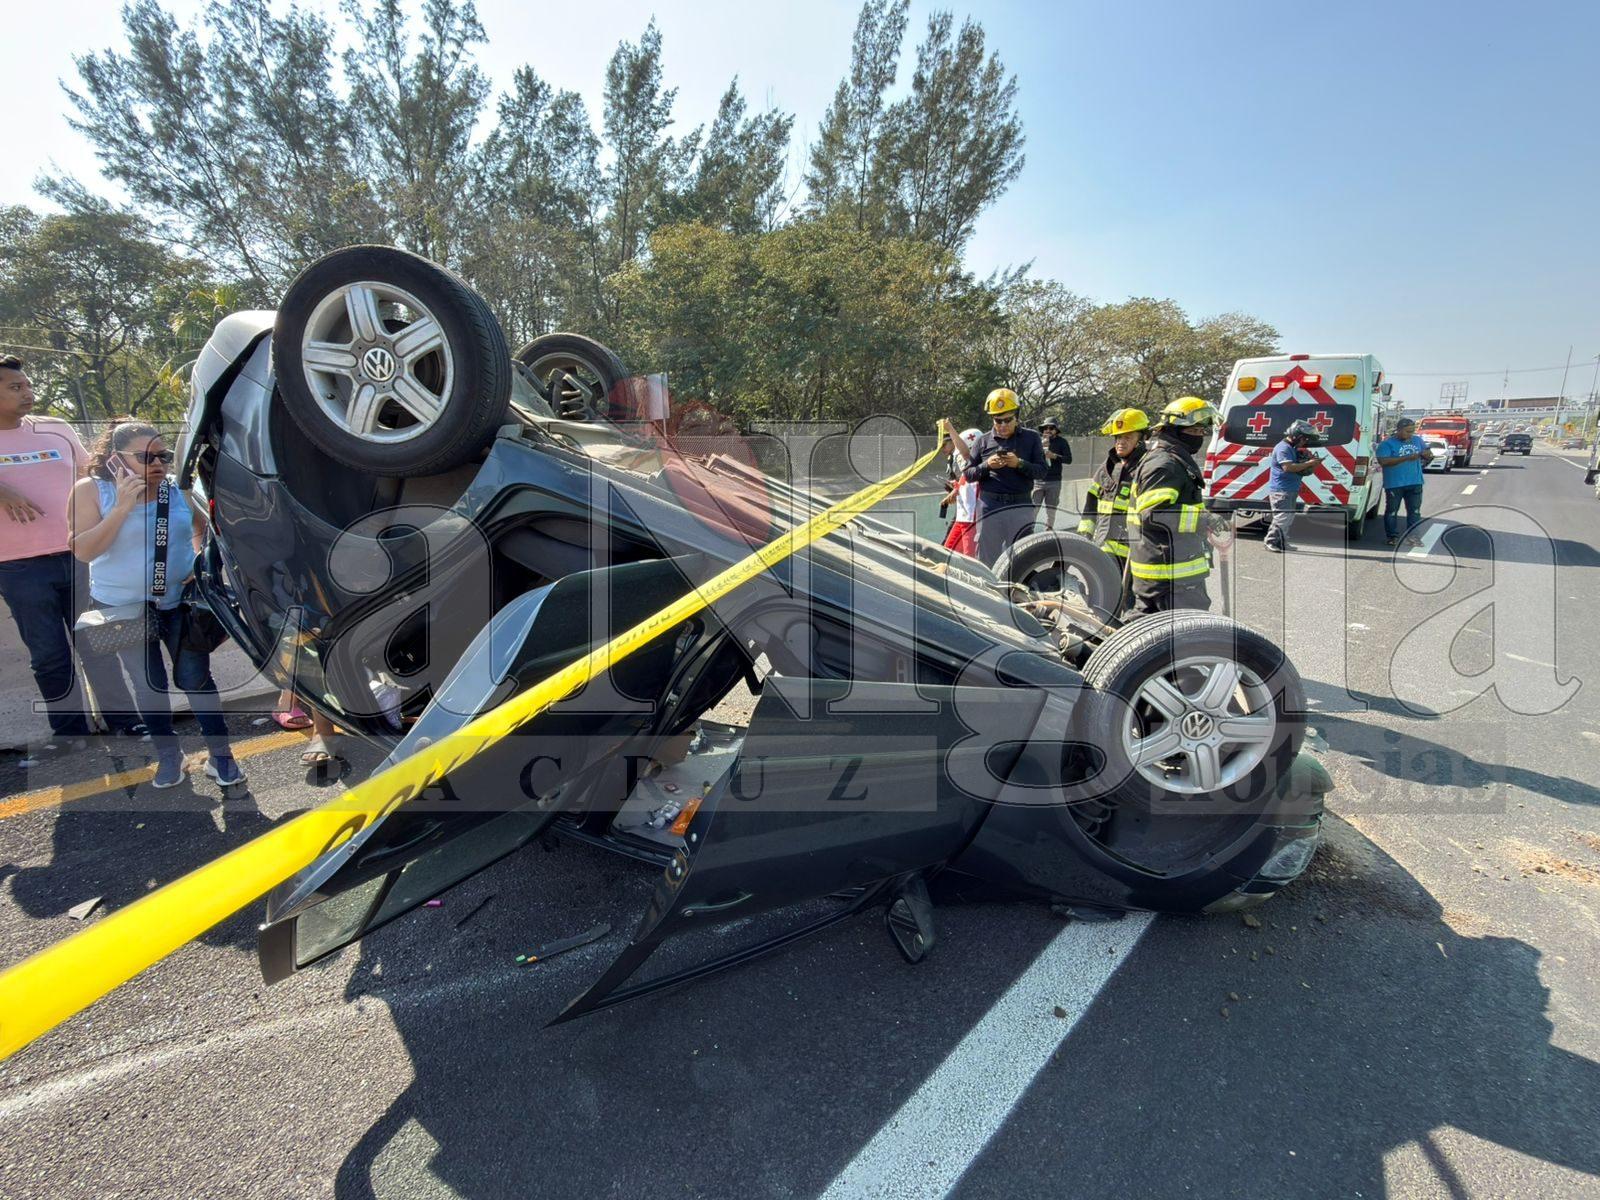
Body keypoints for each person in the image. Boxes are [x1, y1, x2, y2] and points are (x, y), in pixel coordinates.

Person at [68, 420, 244, 789]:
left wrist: (199, 563)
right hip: (122, 608)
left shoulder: (176, 490)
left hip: (180, 604)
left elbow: (205, 530)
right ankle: (169, 756)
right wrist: (122, 506)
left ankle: (222, 757)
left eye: (162, 455)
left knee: (196, 680)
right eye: (145, 457)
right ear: (117, 461)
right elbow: (83, 550)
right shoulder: (90, 491)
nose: (158, 463)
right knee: (148, 685)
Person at [0, 354, 140, 758]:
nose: (28, 393)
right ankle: (71, 734)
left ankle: (126, 723)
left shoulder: (55, 430)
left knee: (98, 645)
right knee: (49, 655)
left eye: (26, 385)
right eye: (15, 387)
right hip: (19, 567)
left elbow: (93, 475)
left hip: (80, 554)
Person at [1127, 396, 1218, 615]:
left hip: (1168, 570)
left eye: (1201, 432)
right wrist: (1204, 519)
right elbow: (1154, 514)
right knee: (1182, 636)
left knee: (1149, 634)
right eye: (1193, 431)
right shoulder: (1165, 464)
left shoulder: (1171, 458)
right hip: (1169, 575)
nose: (1199, 437)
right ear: (1175, 429)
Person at [964, 388, 1046, 566]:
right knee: (987, 557)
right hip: (990, 507)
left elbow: (1042, 471)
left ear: (1017, 416)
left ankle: (1016, 592)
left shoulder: (1031, 438)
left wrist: (1019, 464)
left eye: (1008, 420)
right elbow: (968, 475)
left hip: (1020, 507)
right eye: (997, 420)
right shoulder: (982, 441)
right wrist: (987, 466)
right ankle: (985, 591)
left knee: (1021, 558)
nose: (1002, 425)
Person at [1077, 408, 1148, 609]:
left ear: (1141, 439)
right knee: (1102, 598)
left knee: (1128, 603)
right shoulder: (1107, 467)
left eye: (1127, 437)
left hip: (1133, 552)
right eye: (1118, 437)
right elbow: (1090, 505)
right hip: (1104, 547)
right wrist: (1084, 535)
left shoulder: (1145, 469)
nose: (1120, 442)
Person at [1263, 419, 1325, 553]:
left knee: (1288, 518)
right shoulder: (1283, 448)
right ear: (1297, 436)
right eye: (1304, 439)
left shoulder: (1291, 448)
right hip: (1281, 489)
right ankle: (1271, 541)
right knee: (1282, 517)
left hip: (1290, 488)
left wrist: (1308, 462)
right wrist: (1309, 463)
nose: (1305, 443)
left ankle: (1282, 542)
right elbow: (1288, 467)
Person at [1375, 417, 1433, 547]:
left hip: (1415, 482)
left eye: (1412, 431)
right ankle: (1392, 537)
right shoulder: (1387, 444)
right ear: (1399, 430)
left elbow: (1428, 452)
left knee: (1415, 511)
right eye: (1407, 431)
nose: (1410, 434)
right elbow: (1383, 461)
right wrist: (1406, 457)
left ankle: (1413, 537)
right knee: (1392, 511)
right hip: (1395, 484)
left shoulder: (1417, 440)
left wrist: (1427, 454)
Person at [938, 420, 982, 559]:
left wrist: (950, 429)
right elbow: (964, 482)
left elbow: (966, 454)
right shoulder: (967, 470)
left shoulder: (977, 465)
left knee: (969, 558)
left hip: (971, 518)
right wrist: (955, 488)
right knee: (948, 551)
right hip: (962, 516)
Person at [1034, 416, 1072, 528]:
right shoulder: (1038, 441)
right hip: (1038, 481)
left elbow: (1069, 459)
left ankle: (1048, 532)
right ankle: (1028, 532)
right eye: (1046, 428)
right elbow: (1031, 458)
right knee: (1033, 509)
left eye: (1051, 428)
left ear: (1056, 430)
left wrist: (1054, 456)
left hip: (1054, 481)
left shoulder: (1062, 442)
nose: (1048, 430)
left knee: (1051, 511)